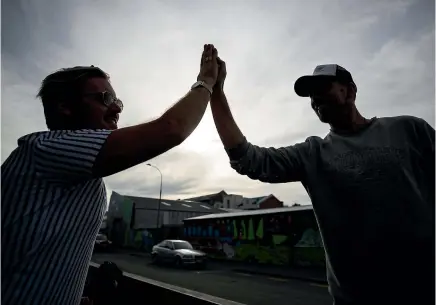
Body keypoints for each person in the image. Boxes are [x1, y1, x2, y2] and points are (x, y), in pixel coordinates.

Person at [1, 44, 219, 305]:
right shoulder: (43, 150)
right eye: (105, 99)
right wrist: (206, 82)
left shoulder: (82, 175)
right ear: (65, 107)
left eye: (117, 101)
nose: (116, 108)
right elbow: (171, 129)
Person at [210, 60, 435, 305]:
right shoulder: (313, 153)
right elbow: (250, 160)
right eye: (310, 95)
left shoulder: (409, 130)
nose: (315, 99)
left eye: (322, 89)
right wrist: (216, 92)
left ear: (349, 91)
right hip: (355, 298)